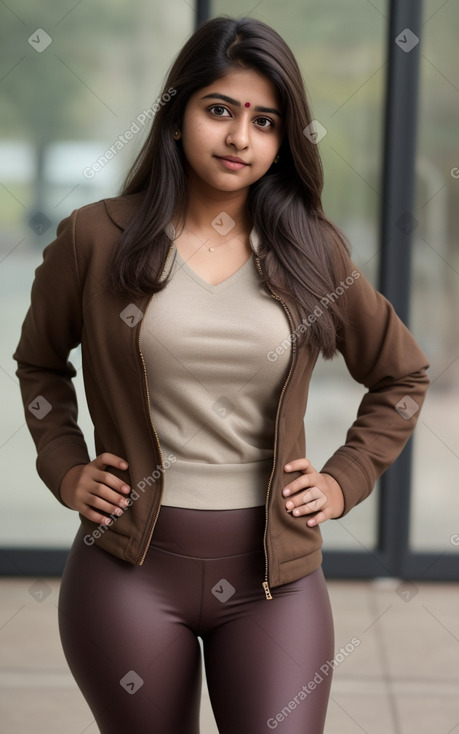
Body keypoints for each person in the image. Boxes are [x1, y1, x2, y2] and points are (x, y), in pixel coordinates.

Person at [14, 15, 430, 734]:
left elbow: (401, 377)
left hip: (276, 579)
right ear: (177, 117)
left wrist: (342, 481)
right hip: (127, 572)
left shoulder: (313, 251)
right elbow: (41, 364)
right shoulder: (94, 238)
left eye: (265, 121)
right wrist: (65, 466)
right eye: (220, 110)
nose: (241, 138)